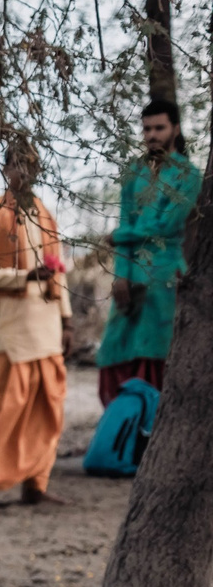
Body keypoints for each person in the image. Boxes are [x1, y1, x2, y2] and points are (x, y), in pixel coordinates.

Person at [0, 141, 71, 512]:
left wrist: (67, 319)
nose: (24, 172)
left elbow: (59, 272)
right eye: (17, 165)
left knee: (47, 410)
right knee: (2, 410)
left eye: (31, 165)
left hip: (47, 330)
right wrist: (24, 276)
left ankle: (34, 486)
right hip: (12, 332)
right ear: (6, 169)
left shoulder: (45, 216)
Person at [98, 99, 203, 404]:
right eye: (146, 129)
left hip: (165, 273)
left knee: (157, 352)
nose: (152, 135)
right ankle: (123, 432)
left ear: (175, 129)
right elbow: (125, 217)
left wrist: (119, 236)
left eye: (159, 128)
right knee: (116, 348)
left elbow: (165, 227)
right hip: (129, 272)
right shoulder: (133, 171)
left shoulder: (188, 175)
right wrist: (120, 276)